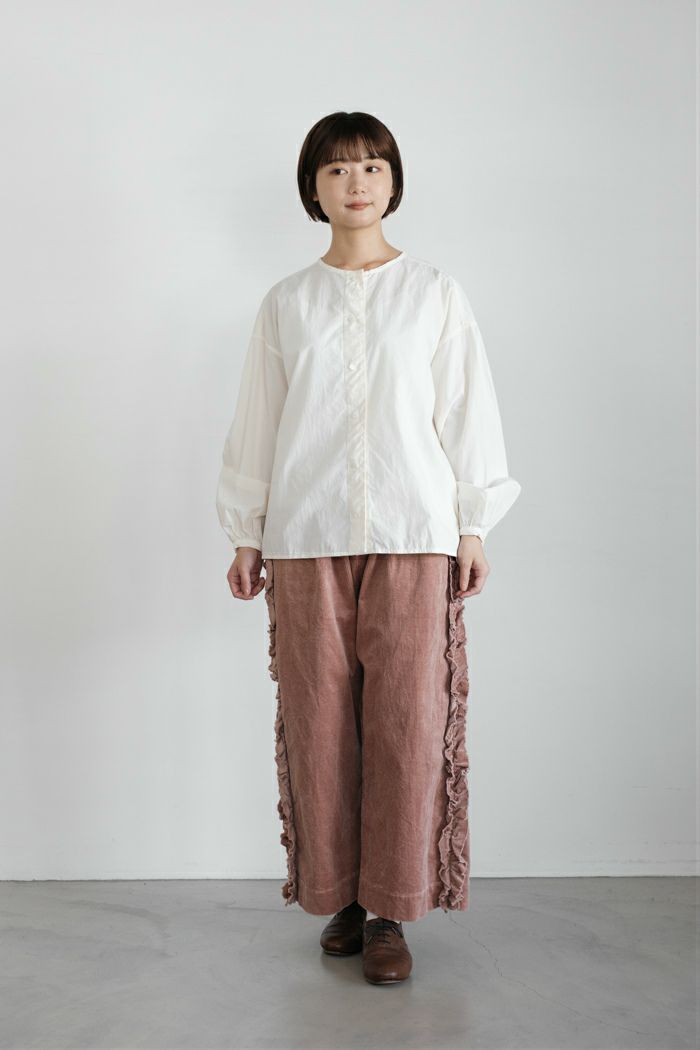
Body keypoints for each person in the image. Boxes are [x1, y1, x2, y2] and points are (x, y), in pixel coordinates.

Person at [215, 111, 521, 985]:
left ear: (394, 182)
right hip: (305, 534)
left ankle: (391, 908)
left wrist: (473, 523)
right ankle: (339, 900)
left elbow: (468, 410)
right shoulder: (287, 302)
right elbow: (259, 421)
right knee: (318, 719)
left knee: (407, 721)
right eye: (339, 169)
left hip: (414, 532)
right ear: (313, 188)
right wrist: (246, 531)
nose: (357, 182)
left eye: (373, 166)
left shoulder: (434, 294)